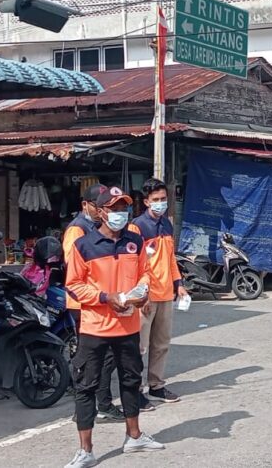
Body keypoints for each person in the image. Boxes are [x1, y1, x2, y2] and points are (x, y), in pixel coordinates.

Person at [65, 186, 165, 468]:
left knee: (131, 381)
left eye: (124, 208)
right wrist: (105, 298)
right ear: (100, 212)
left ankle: (134, 436)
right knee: (86, 386)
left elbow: (145, 273)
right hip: (95, 328)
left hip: (128, 327)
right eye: (114, 208)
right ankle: (86, 450)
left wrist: (143, 293)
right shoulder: (83, 245)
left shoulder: (135, 241)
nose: (120, 213)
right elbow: (73, 286)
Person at [64, 184, 126, 423]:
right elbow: (76, 270)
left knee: (107, 356)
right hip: (84, 303)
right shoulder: (77, 230)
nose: (102, 211)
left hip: (103, 301)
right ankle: (93, 405)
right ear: (86, 206)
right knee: (94, 358)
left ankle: (101, 402)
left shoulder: (98, 229)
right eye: (98, 206)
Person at [133, 178, 187, 411]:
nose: (160, 203)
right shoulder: (137, 227)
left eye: (163, 199)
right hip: (146, 296)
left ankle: (156, 385)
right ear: (146, 201)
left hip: (166, 294)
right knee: (140, 346)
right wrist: (141, 295)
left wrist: (179, 284)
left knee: (161, 344)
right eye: (155, 200)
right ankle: (135, 391)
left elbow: (170, 259)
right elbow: (132, 264)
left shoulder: (167, 224)